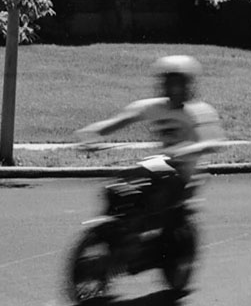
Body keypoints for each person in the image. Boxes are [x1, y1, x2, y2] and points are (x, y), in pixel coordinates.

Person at [75, 55, 225, 208]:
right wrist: (93, 133)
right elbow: (120, 120)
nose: (174, 89)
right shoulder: (154, 107)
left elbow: (213, 143)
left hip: (188, 175)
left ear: (188, 85)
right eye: (169, 83)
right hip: (162, 165)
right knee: (119, 186)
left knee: (157, 196)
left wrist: (186, 150)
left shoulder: (200, 111)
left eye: (179, 84)